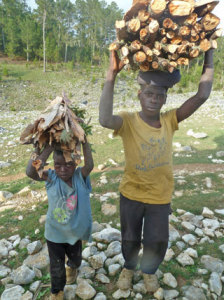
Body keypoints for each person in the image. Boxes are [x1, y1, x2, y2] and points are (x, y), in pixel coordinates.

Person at [99, 49, 214, 293]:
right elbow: (104, 120)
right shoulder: (128, 121)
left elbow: (202, 95)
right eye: (149, 94)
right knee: (130, 238)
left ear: (164, 100)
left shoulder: (170, 120)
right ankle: (129, 267)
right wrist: (111, 74)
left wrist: (209, 53)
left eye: (159, 95)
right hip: (131, 194)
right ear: (140, 95)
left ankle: (149, 271)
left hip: (160, 196)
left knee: (157, 239)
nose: (153, 99)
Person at [26, 137, 94, 300]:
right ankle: (57, 292)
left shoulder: (80, 178)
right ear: (53, 165)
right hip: (55, 234)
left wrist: (84, 142)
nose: (63, 169)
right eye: (58, 165)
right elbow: (30, 172)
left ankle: (72, 266)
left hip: (75, 234)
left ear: (75, 164)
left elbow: (90, 165)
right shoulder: (51, 178)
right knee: (56, 268)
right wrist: (46, 148)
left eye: (68, 164)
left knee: (76, 260)